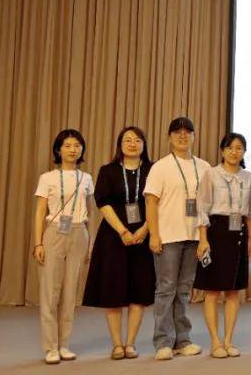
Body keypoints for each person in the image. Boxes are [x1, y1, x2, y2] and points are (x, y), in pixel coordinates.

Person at [83, 126, 156, 360]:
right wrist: (123, 230)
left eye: (137, 140)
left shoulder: (153, 170)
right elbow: (102, 203)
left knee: (139, 291)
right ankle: (116, 344)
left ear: (144, 145)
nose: (132, 144)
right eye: (127, 140)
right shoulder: (108, 170)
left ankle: (130, 343)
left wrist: (145, 229)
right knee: (112, 290)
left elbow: (159, 202)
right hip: (113, 237)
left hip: (144, 237)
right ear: (120, 144)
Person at [144, 117, 210, 360]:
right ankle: (163, 342)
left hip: (194, 236)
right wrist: (154, 234)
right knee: (165, 290)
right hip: (168, 236)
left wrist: (203, 238)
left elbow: (206, 206)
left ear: (194, 136)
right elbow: (151, 203)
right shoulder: (160, 167)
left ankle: (183, 340)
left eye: (187, 132)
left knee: (183, 290)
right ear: (169, 137)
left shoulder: (204, 167)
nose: (183, 136)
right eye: (177, 132)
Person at [33, 129, 95, 365]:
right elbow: (40, 212)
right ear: (58, 150)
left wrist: (90, 241)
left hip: (79, 232)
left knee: (70, 292)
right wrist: (38, 242)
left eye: (77, 145)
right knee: (50, 291)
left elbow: (90, 212)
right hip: (55, 231)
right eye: (67, 145)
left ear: (82, 150)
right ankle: (50, 347)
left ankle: (64, 344)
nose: (72, 150)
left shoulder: (86, 178)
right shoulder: (47, 178)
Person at [193, 133, 251, 358]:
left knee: (233, 291)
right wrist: (203, 239)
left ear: (244, 152)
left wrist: (250, 239)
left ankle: (228, 340)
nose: (234, 152)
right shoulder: (211, 174)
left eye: (239, 148)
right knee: (212, 291)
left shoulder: (248, 177)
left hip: (239, 232)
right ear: (222, 151)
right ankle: (215, 341)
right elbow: (201, 207)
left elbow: (250, 211)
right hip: (216, 231)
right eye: (230, 147)